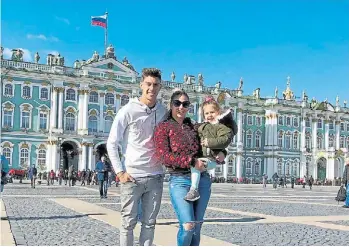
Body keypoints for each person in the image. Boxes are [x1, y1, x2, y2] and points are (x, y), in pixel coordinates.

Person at [154, 90, 225, 246]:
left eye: (185, 104)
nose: (181, 107)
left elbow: (211, 139)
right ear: (171, 104)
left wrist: (222, 152)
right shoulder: (163, 127)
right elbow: (164, 156)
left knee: (197, 226)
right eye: (177, 103)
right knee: (188, 225)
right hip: (179, 181)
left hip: (203, 180)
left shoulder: (193, 126)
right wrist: (191, 162)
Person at [107, 68, 167, 246]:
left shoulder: (163, 111)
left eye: (155, 85)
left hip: (155, 176)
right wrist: (120, 172)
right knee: (128, 224)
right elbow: (112, 142)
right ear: (141, 85)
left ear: (160, 87)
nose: (151, 88)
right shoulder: (128, 110)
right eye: (148, 84)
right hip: (132, 177)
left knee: (149, 224)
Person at [184, 96, 236, 201]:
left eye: (212, 112)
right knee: (196, 165)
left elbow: (225, 140)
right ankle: (193, 189)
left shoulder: (222, 126)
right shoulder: (203, 126)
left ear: (218, 112)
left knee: (196, 165)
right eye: (206, 113)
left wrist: (210, 143)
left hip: (212, 158)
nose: (209, 115)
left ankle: (193, 190)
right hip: (204, 156)